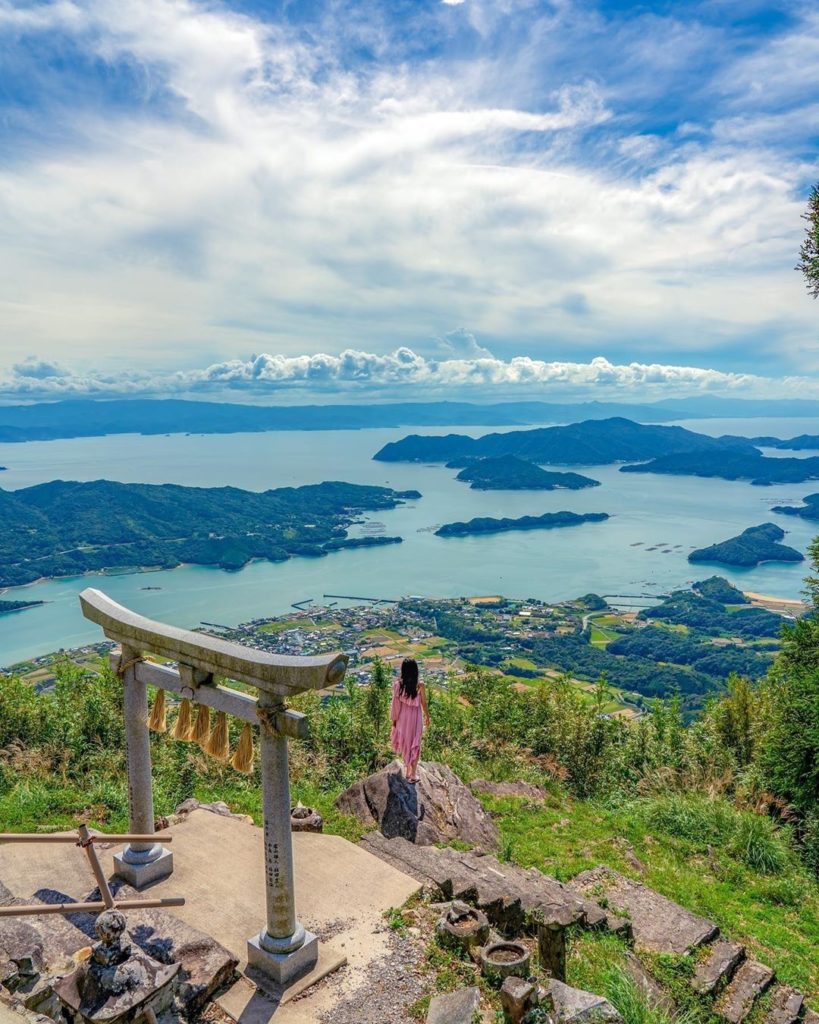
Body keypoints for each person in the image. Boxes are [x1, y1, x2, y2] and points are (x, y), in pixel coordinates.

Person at [390, 657, 430, 783]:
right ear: (415, 670)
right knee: (415, 743)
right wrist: (427, 716)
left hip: (403, 717)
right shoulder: (420, 685)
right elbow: (424, 703)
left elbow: (395, 704)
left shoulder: (398, 685)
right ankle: (412, 774)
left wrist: (394, 721)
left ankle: (407, 771)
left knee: (406, 743)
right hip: (416, 718)